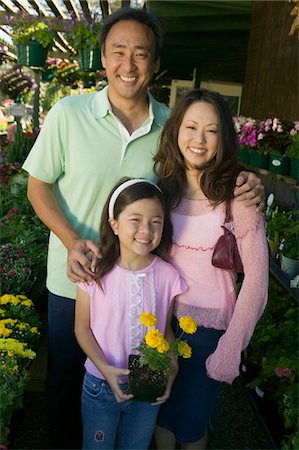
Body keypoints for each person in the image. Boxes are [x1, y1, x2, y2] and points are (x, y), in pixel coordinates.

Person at [21, 6, 265, 449]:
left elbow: (205, 156)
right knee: (65, 389)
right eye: (118, 51)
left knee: (139, 393)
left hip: (141, 291)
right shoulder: (67, 113)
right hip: (74, 280)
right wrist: (73, 241)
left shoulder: (169, 127)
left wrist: (248, 179)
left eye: (141, 53)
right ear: (103, 57)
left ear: (155, 63)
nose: (128, 64)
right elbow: (37, 187)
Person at [153, 89, 269, 449]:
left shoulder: (238, 196)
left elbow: (257, 283)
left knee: (190, 425)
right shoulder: (163, 190)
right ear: (175, 131)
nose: (199, 139)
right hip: (158, 323)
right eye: (190, 127)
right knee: (158, 413)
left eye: (211, 130)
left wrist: (232, 346)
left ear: (223, 138)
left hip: (206, 334)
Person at [75, 178, 186, 449]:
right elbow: (82, 328)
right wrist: (104, 368)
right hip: (100, 385)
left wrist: (172, 368)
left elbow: (166, 331)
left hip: (147, 386)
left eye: (156, 221)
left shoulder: (168, 276)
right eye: (135, 219)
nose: (145, 230)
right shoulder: (95, 273)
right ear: (114, 224)